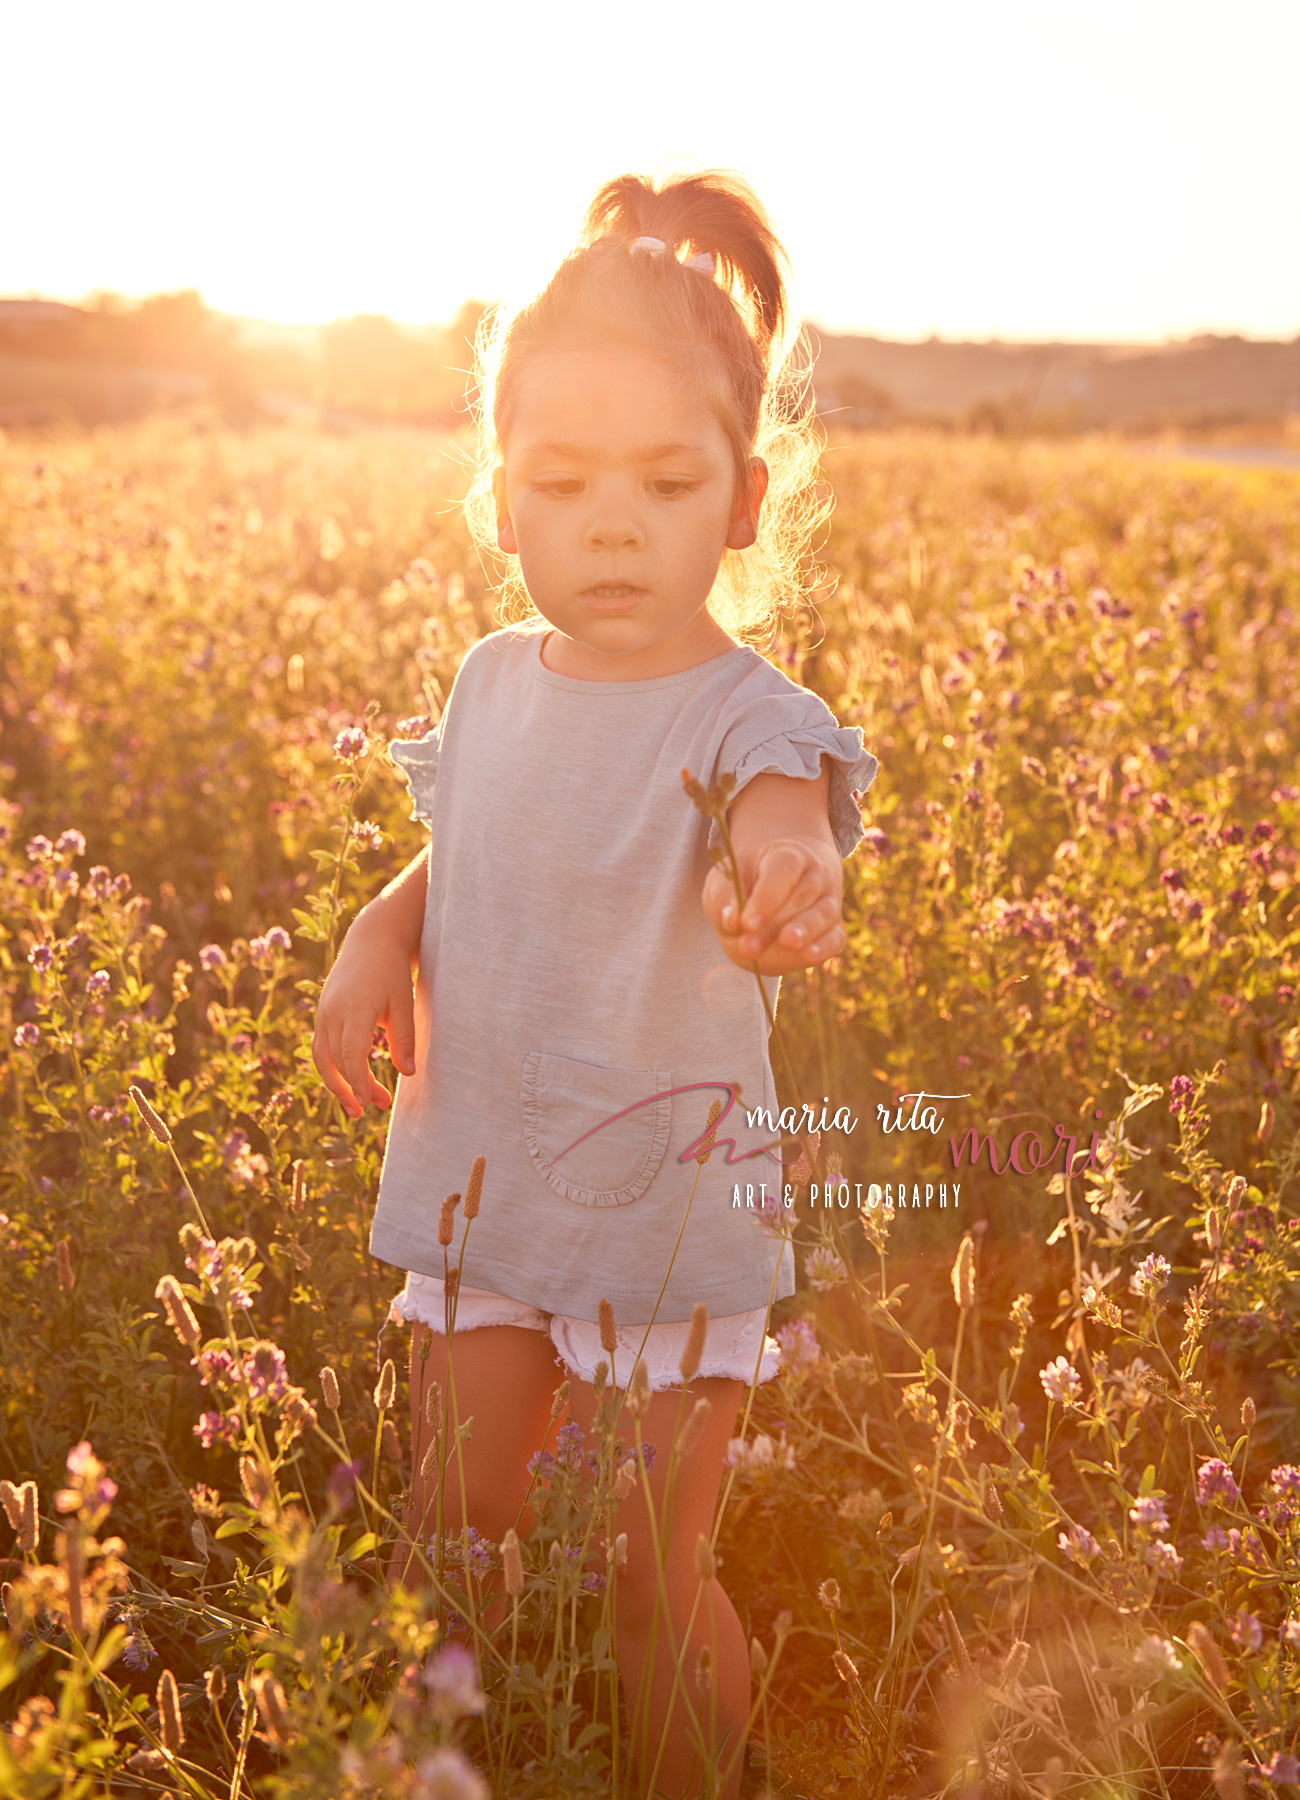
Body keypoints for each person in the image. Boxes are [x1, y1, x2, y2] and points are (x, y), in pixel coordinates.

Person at [312, 168, 878, 1799]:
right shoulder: (493, 681)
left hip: (661, 1209)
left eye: (663, 480)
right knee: (449, 1525)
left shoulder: (744, 716)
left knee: (647, 1576)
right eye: (560, 483)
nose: (612, 521)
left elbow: (785, 826)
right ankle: (430, 1770)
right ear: (497, 501)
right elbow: (477, 840)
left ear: (745, 497)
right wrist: (380, 925)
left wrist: (792, 878)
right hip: (487, 1181)